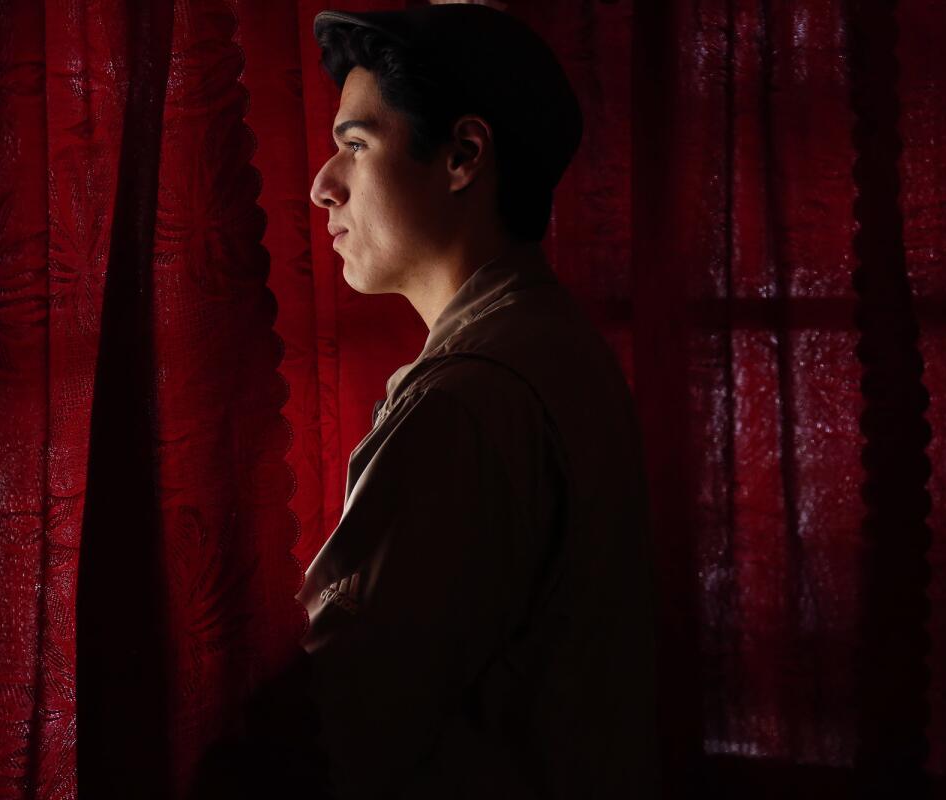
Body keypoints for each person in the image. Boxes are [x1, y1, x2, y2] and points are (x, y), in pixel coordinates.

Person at [295, 6, 661, 799]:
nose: (323, 185)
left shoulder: (466, 398)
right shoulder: (553, 338)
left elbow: (343, 726)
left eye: (356, 145)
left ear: (462, 155)